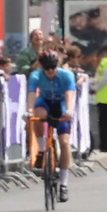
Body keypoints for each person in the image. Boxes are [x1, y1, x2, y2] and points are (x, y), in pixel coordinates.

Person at [25, 47, 77, 196]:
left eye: (53, 67)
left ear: (57, 65)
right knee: (38, 115)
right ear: (42, 67)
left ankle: (64, 184)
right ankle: (42, 150)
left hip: (61, 105)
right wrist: (28, 110)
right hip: (45, 102)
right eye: (46, 68)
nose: (50, 71)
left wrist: (69, 110)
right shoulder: (36, 75)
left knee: (65, 143)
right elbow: (32, 94)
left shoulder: (66, 75)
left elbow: (69, 93)